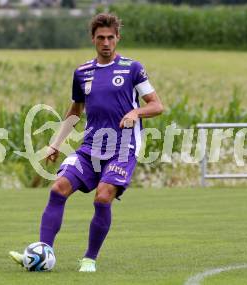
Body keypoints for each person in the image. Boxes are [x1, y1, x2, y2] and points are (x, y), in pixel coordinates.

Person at [9, 12, 163, 272]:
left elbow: (157, 105)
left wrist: (135, 112)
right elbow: (74, 111)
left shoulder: (132, 69)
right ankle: (42, 253)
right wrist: (55, 144)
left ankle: (89, 258)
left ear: (117, 39)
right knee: (58, 188)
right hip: (91, 148)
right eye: (100, 37)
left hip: (123, 149)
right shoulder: (82, 73)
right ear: (93, 39)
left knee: (102, 197)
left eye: (110, 37)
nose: (106, 42)